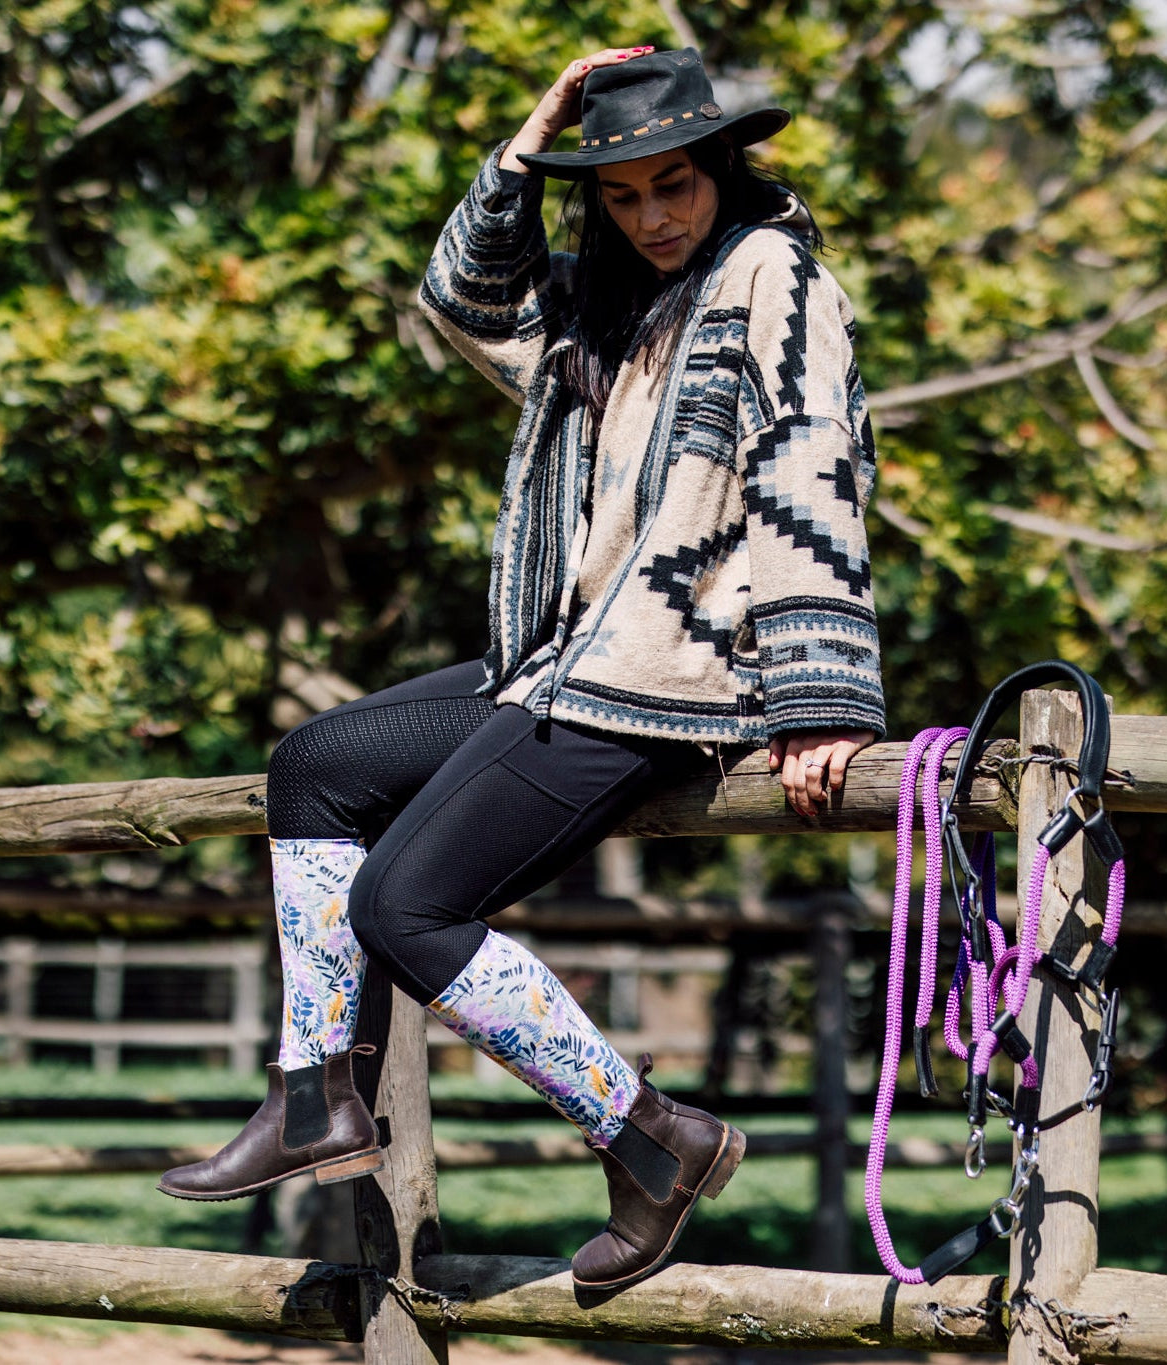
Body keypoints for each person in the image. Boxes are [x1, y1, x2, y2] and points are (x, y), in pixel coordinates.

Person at [160, 45, 884, 1292]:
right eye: (619, 194)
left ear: (719, 164)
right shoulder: (609, 308)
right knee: (314, 767)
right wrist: (527, 145)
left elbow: (809, 466)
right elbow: (462, 300)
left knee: (406, 905)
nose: (651, 216)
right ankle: (315, 1094)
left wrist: (821, 701)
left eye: (674, 185)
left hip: (675, 670)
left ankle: (649, 1135)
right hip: (570, 654)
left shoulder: (774, 271)